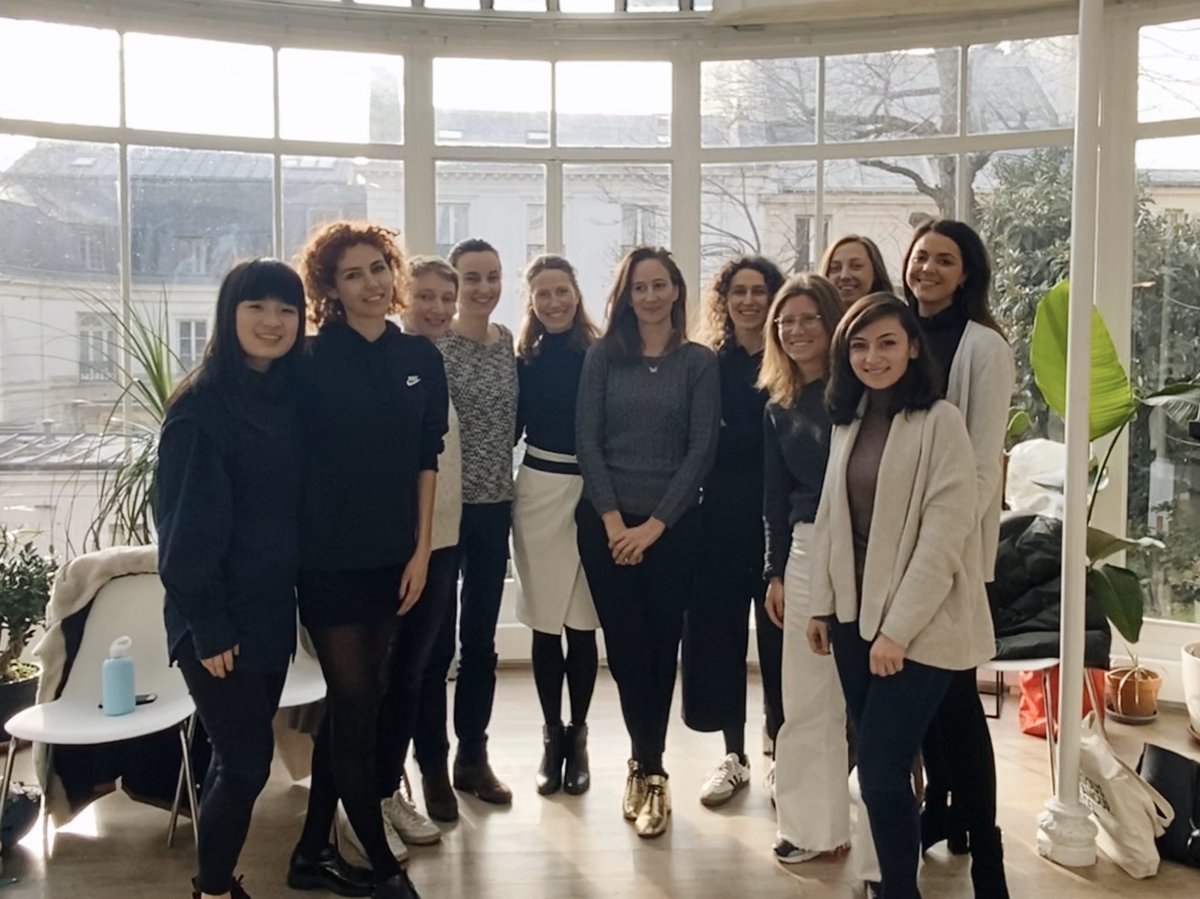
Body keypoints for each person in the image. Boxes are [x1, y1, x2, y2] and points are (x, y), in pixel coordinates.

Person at [807, 293, 996, 899]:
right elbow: (830, 519)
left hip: (921, 626)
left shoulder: (940, 422)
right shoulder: (849, 418)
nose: (873, 357)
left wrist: (897, 631)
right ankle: (895, 885)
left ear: (913, 347)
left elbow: (944, 536)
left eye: (887, 342)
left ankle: (897, 890)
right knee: (878, 774)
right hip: (851, 620)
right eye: (859, 346)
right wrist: (821, 604)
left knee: (883, 770)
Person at [289, 222, 447, 899]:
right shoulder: (307, 358)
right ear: (330, 286)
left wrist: (421, 550)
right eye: (352, 274)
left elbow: (427, 458)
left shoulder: (419, 356)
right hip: (327, 558)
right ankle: (380, 863)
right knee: (356, 702)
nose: (372, 283)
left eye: (379, 267)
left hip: (394, 557)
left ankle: (309, 851)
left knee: (359, 702)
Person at [158, 258, 308, 899]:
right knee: (246, 766)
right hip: (216, 619)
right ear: (229, 314)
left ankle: (214, 882)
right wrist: (211, 625)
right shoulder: (201, 411)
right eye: (258, 307)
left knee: (235, 757)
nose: (273, 322)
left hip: (270, 611)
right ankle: (213, 888)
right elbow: (183, 538)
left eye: (286, 309)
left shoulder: (286, 397)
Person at [575, 246, 720, 839]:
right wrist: (616, 525)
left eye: (660, 285)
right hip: (607, 527)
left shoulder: (698, 362)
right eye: (640, 287)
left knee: (663, 652)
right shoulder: (603, 357)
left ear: (677, 291)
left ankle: (651, 770)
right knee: (628, 652)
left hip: (674, 529)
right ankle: (645, 764)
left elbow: (701, 449)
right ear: (626, 297)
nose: (651, 296)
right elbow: (587, 441)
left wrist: (654, 527)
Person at [903, 219, 1013, 897]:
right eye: (921, 257)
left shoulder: (984, 347)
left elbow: (981, 463)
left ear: (967, 272)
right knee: (925, 703)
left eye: (945, 260)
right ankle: (943, 814)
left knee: (956, 703)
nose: (929, 269)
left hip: (955, 552)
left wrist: (942, 544)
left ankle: (988, 850)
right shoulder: (896, 333)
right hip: (897, 550)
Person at [681, 255, 785, 808]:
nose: (748, 301)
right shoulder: (708, 362)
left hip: (778, 518)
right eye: (738, 291)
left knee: (779, 642)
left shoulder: (789, 358)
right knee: (719, 641)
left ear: (774, 298)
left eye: (759, 290)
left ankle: (781, 753)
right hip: (717, 517)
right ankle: (734, 755)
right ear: (724, 300)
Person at [758, 274, 850, 863]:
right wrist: (774, 572)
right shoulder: (779, 405)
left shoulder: (859, 393)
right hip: (805, 549)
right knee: (803, 696)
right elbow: (775, 498)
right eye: (785, 322)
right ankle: (807, 828)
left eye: (807, 318)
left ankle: (860, 833)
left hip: (863, 548)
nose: (795, 331)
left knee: (855, 699)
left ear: (832, 322)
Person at [372, 256, 464, 847]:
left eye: (445, 298)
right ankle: (374, 795)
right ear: (403, 297)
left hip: (442, 539)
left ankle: (402, 784)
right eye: (424, 296)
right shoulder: (389, 361)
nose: (436, 308)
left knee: (422, 668)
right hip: (393, 545)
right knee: (386, 675)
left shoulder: (436, 361)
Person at [512, 254, 602, 796]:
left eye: (561, 290)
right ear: (532, 300)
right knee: (546, 624)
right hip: (538, 491)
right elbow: (509, 428)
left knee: (582, 624)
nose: (553, 301)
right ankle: (551, 737)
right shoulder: (523, 359)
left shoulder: (600, 353)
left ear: (576, 292)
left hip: (592, 493)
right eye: (543, 293)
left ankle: (579, 736)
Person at [436, 237, 519, 805]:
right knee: (434, 643)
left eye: (493, 276)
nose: (484, 287)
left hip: (494, 508)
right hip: (441, 511)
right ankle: (430, 762)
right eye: (472, 278)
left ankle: (472, 755)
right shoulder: (434, 344)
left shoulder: (507, 342)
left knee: (480, 641)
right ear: (455, 283)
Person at [820, 235, 894, 307]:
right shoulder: (817, 314)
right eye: (835, 268)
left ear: (875, 272)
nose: (844, 276)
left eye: (856, 266)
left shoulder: (896, 314)